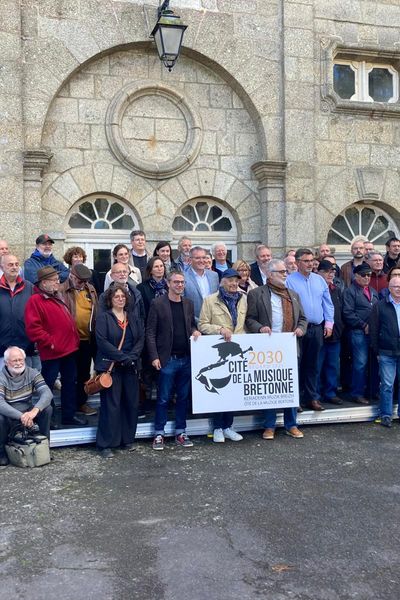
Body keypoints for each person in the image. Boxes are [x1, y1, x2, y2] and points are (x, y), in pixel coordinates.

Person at [246, 259, 307, 439]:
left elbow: (303, 318)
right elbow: (249, 319)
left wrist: (300, 329)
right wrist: (260, 328)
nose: (284, 274)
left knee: (289, 386)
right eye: (281, 272)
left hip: (289, 346)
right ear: (270, 274)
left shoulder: (293, 294)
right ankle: (269, 425)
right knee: (270, 387)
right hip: (268, 348)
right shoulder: (257, 294)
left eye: (285, 272)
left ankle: (291, 424)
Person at [24, 266, 85, 427]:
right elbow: (33, 329)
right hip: (52, 353)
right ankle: (47, 418)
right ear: (43, 283)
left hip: (69, 350)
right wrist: (51, 342)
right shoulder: (35, 301)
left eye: (57, 279)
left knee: (70, 384)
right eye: (54, 280)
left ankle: (68, 416)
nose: (58, 282)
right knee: (47, 387)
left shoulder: (57, 296)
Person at [147, 270, 200, 450]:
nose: (179, 285)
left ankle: (180, 431)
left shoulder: (188, 303)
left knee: (183, 397)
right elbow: (150, 332)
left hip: (186, 358)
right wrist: (154, 356)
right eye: (176, 282)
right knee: (163, 398)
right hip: (166, 359)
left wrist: (194, 331)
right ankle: (159, 433)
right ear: (168, 283)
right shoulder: (157, 303)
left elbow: (191, 323)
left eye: (182, 282)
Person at [95, 284, 144, 458]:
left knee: (131, 403)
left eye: (123, 296)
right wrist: (123, 358)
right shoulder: (103, 318)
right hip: (112, 367)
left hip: (130, 367)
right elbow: (102, 342)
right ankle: (106, 444)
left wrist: (132, 357)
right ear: (110, 299)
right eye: (117, 297)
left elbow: (140, 339)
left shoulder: (132, 317)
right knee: (111, 405)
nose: (120, 299)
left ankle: (127, 439)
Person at [198, 268, 247, 443]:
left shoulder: (244, 299)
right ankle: (217, 427)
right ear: (222, 282)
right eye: (230, 280)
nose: (234, 284)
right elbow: (203, 324)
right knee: (219, 389)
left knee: (232, 390)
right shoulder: (210, 300)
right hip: (218, 352)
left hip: (237, 351)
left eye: (236, 281)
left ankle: (228, 426)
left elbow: (245, 324)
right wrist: (220, 329)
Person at [286, 248, 334, 411]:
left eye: (312, 260)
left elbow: (328, 303)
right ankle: (296, 399)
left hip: (316, 328)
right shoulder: (289, 281)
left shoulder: (319, 280)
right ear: (298, 262)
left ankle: (312, 397)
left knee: (313, 364)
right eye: (306, 261)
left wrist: (329, 323)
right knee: (297, 364)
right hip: (297, 330)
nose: (310, 263)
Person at [0, 347, 52, 466]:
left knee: (47, 409)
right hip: (10, 415)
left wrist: (34, 411)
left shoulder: (33, 372)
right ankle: (1, 452)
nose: (18, 363)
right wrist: (22, 416)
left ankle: (44, 448)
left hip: (28, 412)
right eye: (14, 360)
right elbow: (0, 403)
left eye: (20, 360)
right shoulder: (1, 377)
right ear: (7, 362)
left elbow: (47, 393)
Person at [59, 263, 99, 417]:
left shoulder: (91, 289)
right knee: (69, 375)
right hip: (69, 340)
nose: (82, 284)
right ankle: (68, 406)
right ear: (71, 275)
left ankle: (81, 403)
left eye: (84, 281)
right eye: (79, 280)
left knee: (84, 374)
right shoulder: (62, 289)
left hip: (87, 339)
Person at [343, 263, 379, 404]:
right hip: (358, 332)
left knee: (373, 363)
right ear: (356, 275)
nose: (366, 277)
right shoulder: (350, 291)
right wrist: (363, 325)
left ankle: (372, 391)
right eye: (363, 275)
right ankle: (356, 393)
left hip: (373, 333)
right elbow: (347, 313)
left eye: (369, 275)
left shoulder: (373, 291)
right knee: (360, 363)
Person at [370, 276, 400, 427]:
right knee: (387, 385)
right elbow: (374, 329)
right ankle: (386, 415)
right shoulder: (380, 306)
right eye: (395, 286)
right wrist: (377, 350)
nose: (398, 289)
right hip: (386, 351)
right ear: (389, 288)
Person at [0, 254, 38, 370]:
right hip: (2, 348)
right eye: (10, 265)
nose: (14, 267)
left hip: (25, 346)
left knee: (25, 385)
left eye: (17, 264)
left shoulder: (29, 287)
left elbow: (37, 313)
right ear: (2, 267)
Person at [316, 260, 345, 405]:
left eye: (333, 272)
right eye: (327, 271)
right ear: (319, 272)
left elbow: (340, 311)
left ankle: (330, 393)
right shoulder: (315, 288)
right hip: (319, 334)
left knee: (333, 366)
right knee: (317, 366)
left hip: (336, 335)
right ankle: (315, 395)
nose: (331, 274)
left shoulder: (336, 289)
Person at [184, 246, 219, 322]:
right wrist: (198, 322)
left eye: (204, 257)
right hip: (192, 323)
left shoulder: (214, 276)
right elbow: (183, 305)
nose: (202, 260)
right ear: (190, 260)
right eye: (197, 258)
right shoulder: (183, 278)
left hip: (214, 322)